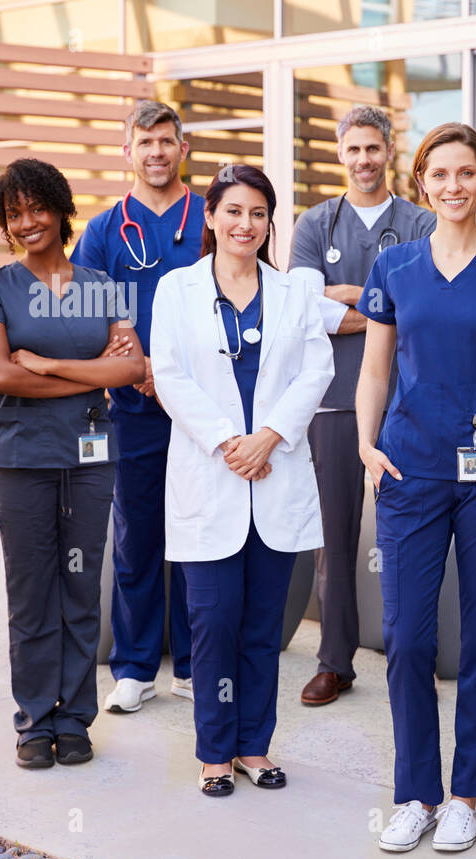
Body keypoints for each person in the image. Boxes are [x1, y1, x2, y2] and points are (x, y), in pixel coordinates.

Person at [357, 122, 476, 853]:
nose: (454, 186)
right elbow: (375, 369)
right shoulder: (395, 268)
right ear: (422, 183)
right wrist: (367, 446)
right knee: (406, 638)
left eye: (466, 173)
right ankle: (415, 792)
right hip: (409, 469)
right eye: (440, 174)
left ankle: (466, 793)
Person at [150, 165, 334, 796]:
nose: (245, 224)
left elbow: (317, 370)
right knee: (212, 623)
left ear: (269, 223)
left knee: (261, 629)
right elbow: (169, 376)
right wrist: (230, 441)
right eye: (233, 211)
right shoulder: (177, 290)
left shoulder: (294, 293)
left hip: (274, 471)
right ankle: (213, 752)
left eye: (257, 213)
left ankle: (254, 745)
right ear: (210, 217)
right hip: (214, 472)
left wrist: (269, 437)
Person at [0, 158, 145, 769]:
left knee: (81, 588)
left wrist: (50, 364)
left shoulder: (102, 284)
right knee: (32, 590)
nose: (27, 222)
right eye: (13, 215)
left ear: (61, 209)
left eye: (37, 208)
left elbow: (131, 370)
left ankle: (74, 719)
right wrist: (87, 379)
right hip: (22, 460)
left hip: (91, 459)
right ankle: (35, 720)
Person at [288, 106, 436, 708]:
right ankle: (335, 660)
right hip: (331, 403)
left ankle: (412, 656)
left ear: (389, 151)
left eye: (373, 149)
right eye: (353, 150)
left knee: (415, 538)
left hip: (407, 401)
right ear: (339, 154)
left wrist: (343, 299)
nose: (364, 160)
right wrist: (377, 304)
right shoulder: (313, 224)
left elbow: (422, 306)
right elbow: (300, 307)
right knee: (335, 539)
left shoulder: (422, 223)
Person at [71, 101, 205, 714]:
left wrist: (176, 377)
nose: (156, 151)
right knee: (138, 533)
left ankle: (196, 664)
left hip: (207, 405)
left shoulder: (212, 215)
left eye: (166, 141)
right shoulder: (102, 230)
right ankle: (134, 666)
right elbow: (96, 313)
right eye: (144, 141)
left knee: (201, 531)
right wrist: (144, 369)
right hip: (136, 404)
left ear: (184, 149)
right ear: (128, 152)